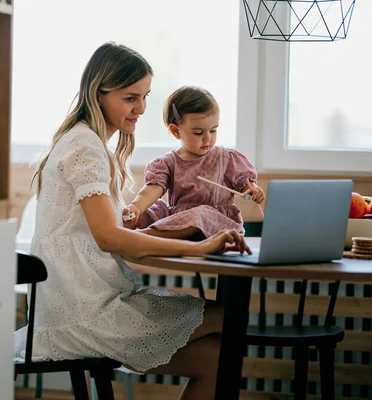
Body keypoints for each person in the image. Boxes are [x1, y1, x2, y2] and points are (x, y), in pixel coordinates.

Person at [14, 42, 250, 400]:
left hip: (87, 304)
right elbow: (111, 239)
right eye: (130, 98)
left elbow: (109, 232)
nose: (141, 108)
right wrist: (198, 246)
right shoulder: (84, 147)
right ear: (99, 93)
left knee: (217, 356)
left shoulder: (88, 143)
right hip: (83, 314)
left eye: (145, 97)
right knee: (228, 321)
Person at [123, 85, 266, 240]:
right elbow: (152, 189)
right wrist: (137, 207)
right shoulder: (167, 163)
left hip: (217, 225)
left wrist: (252, 190)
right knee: (153, 208)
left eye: (213, 130)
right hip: (179, 220)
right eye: (198, 133)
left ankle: (147, 235)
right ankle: (139, 228)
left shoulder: (226, 158)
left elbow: (245, 184)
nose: (207, 138)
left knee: (201, 213)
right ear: (176, 131)